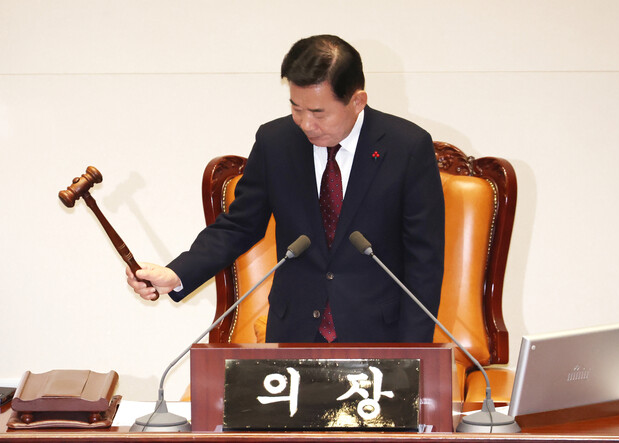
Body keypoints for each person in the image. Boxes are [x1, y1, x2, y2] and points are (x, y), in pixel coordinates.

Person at [127, 34, 445, 343]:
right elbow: (239, 225)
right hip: (294, 332)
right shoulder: (275, 142)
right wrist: (176, 273)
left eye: (319, 113)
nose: (306, 124)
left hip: (379, 336)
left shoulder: (407, 147)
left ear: (357, 101)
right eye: (296, 108)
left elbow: (424, 260)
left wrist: (413, 354)